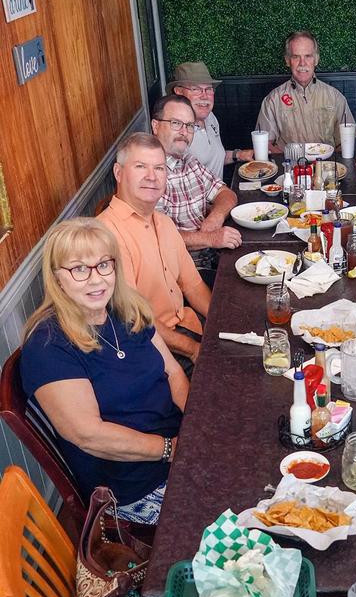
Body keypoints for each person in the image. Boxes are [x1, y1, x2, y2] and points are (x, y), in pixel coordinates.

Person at [20, 219, 188, 525]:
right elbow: (89, 435)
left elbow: (173, 371)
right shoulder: (48, 346)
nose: (96, 280)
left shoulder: (126, 310)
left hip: (180, 446)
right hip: (133, 488)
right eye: (79, 269)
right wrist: (171, 449)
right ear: (57, 278)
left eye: (104, 265)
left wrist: (196, 426)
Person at [98, 132, 211, 372]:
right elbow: (134, 317)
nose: (152, 177)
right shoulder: (105, 234)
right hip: (154, 348)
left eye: (159, 168)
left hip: (189, 326)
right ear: (119, 173)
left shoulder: (164, 222)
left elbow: (193, 286)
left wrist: (222, 325)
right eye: (140, 166)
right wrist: (193, 349)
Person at [151, 94, 241, 286]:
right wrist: (210, 238)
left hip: (214, 259)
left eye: (190, 126)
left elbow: (226, 193)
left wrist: (215, 217)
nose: (184, 132)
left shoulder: (187, 161)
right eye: (176, 123)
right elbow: (158, 239)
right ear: (155, 126)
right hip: (184, 275)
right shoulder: (151, 175)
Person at [256, 31, 356, 152]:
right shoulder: (273, 100)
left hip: (326, 167)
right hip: (289, 167)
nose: (302, 63)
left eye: (308, 56)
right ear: (287, 60)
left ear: (316, 59)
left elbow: (346, 141)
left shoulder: (335, 97)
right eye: (296, 57)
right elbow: (265, 143)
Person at [167, 61, 253, 179]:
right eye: (196, 89)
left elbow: (212, 158)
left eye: (208, 89)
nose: (204, 95)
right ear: (179, 92)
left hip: (219, 193)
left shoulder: (210, 117)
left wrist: (238, 155)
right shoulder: (177, 131)